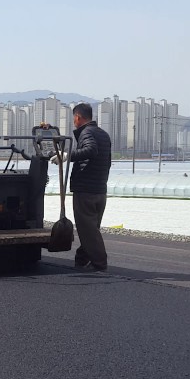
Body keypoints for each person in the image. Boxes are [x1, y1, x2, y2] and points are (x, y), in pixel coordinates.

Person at [69, 102, 112, 271]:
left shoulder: (86, 132)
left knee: (87, 230)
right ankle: (81, 259)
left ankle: (99, 264)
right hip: (100, 189)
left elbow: (91, 150)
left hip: (86, 190)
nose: (74, 121)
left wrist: (66, 156)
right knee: (91, 229)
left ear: (78, 117)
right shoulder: (103, 134)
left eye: (74, 118)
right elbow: (107, 161)